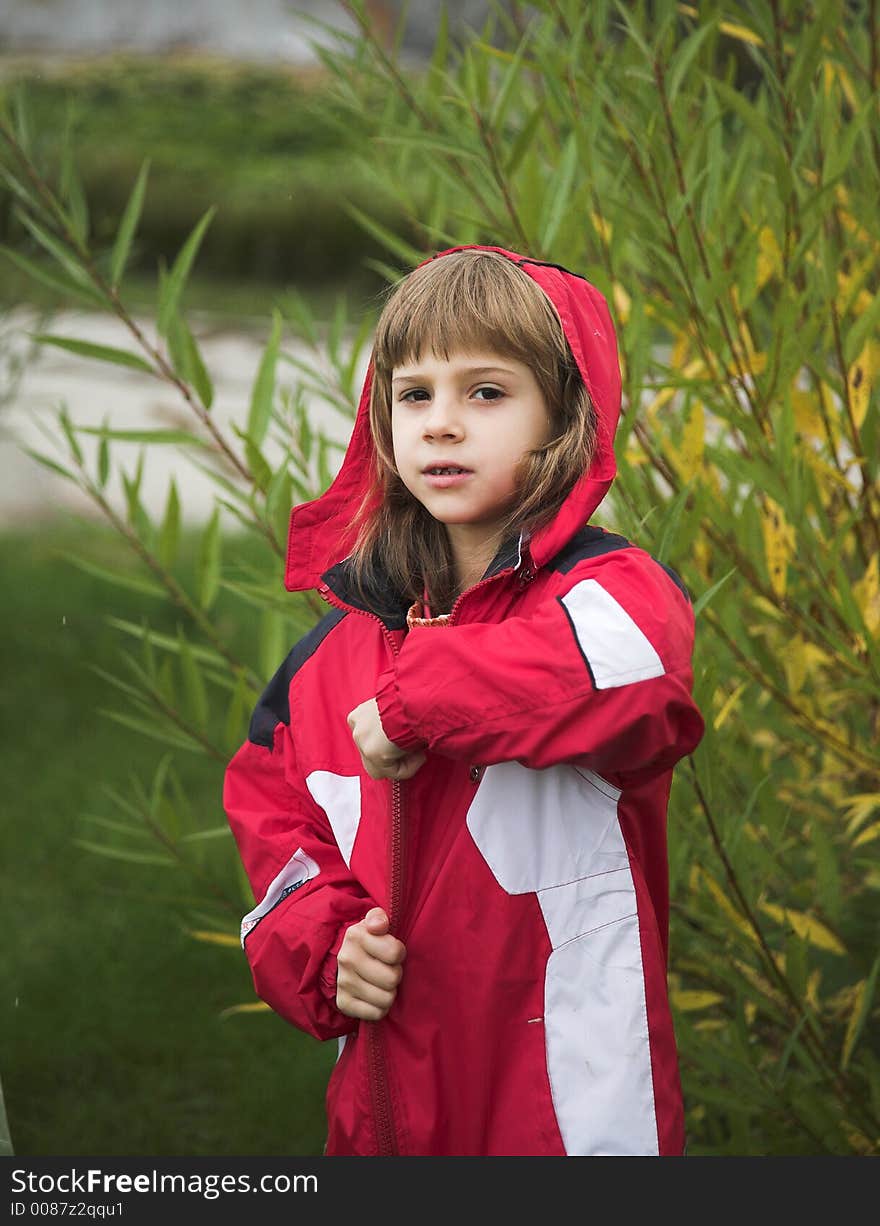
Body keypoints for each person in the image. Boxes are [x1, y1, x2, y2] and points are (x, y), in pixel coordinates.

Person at [223, 245, 705, 1156]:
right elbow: (273, 809)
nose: (442, 425)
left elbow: (639, 686)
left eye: (486, 393)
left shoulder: (609, 595)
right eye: (416, 394)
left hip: (569, 1107)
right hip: (385, 1112)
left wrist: (418, 699)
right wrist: (317, 941)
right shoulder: (337, 652)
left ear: (563, 416)